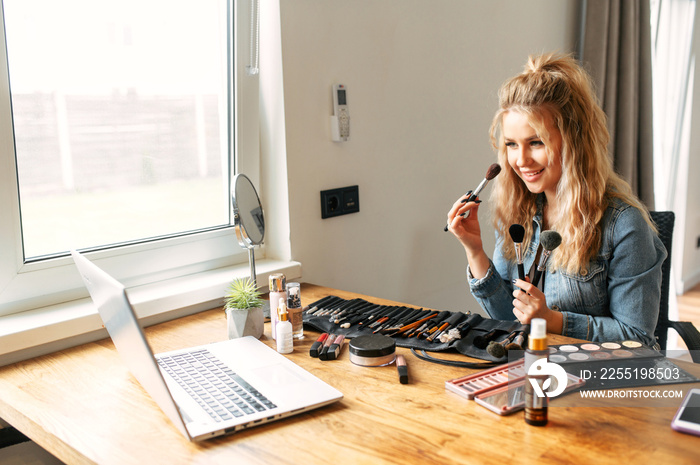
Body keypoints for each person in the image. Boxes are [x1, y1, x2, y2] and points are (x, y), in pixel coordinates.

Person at [446, 52, 666, 347]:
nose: (521, 160)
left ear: (574, 141)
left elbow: (638, 339)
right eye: (511, 144)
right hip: (534, 369)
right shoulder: (518, 211)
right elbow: (508, 319)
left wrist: (554, 321)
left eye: (536, 142)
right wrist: (474, 250)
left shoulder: (624, 225)